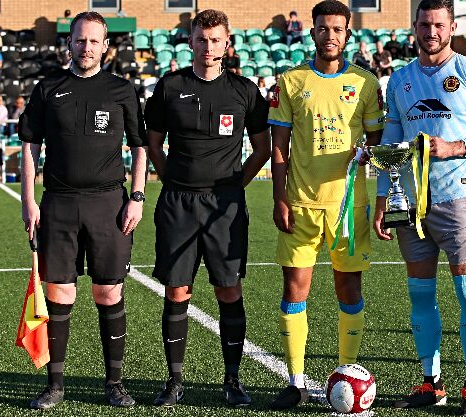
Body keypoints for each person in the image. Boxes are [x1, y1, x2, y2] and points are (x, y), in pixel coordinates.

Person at [374, 1, 466, 415]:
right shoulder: (399, 81)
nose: (430, 31)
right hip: (409, 205)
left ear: (451, 27)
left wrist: (455, 147)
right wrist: (382, 200)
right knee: (420, 296)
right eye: (423, 24)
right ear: (414, 27)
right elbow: (391, 148)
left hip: (459, 202)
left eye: (438, 24)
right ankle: (431, 383)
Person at [19, 11, 147, 410]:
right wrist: (28, 199)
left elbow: (140, 147)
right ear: (69, 43)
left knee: (108, 292)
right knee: (60, 292)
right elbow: (29, 145)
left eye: (94, 41)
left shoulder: (122, 90)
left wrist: (137, 197)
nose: (86, 47)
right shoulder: (47, 88)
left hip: (109, 203)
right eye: (80, 40)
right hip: (58, 202)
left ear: (105, 46)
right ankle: (55, 385)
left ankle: (114, 382)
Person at [144, 9, 270, 408]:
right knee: (177, 289)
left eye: (216, 40)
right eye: (201, 39)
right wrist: (171, 181)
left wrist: (234, 187)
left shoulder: (245, 91)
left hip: (225, 206)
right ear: (191, 41)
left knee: (228, 289)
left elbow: (264, 149)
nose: (209, 47)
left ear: (227, 43)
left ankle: (232, 381)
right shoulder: (169, 87)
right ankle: (175, 381)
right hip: (178, 203)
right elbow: (152, 144)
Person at [268, 0, 385, 410]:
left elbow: (377, 143)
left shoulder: (366, 83)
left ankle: (347, 371)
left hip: (348, 208)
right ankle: (296, 381)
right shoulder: (291, 81)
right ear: (312, 31)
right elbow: (278, 147)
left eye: (338, 29)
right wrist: (280, 198)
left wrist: (367, 154)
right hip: (300, 204)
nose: (330, 35)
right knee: (294, 291)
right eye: (323, 28)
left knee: (348, 289)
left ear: (348, 33)